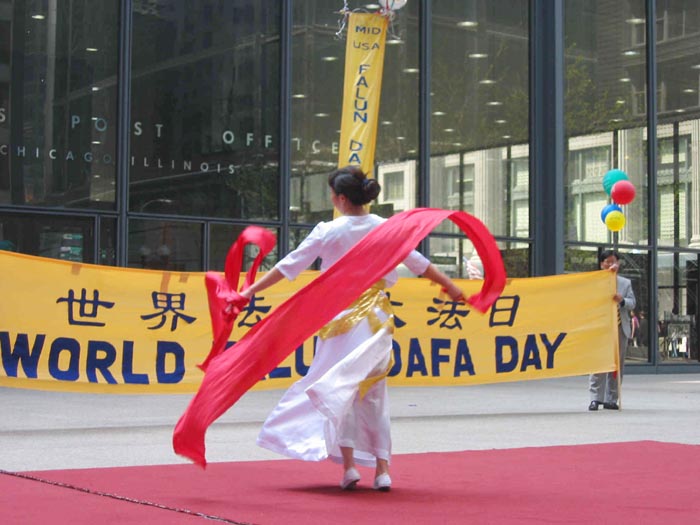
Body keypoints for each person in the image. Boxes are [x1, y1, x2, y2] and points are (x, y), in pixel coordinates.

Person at [240, 165, 465, 491]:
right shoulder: (386, 229)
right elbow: (420, 264)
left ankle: (349, 468)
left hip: (339, 321)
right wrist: (451, 286)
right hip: (374, 320)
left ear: (341, 198)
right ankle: (382, 469)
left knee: (338, 389)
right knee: (372, 394)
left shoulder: (328, 230)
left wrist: (249, 291)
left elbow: (289, 265)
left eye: (332, 194)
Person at [588, 249, 636, 411]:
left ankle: (612, 399)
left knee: (616, 366)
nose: (610, 265)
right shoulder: (593, 282)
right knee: (598, 363)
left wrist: (622, 301)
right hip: (601, 328)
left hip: (620, 328)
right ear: (601, 264)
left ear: (618, 264)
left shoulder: (625, 283)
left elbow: (632, 303)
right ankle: (595, 398)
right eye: (607, 262)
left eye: (613, 261)